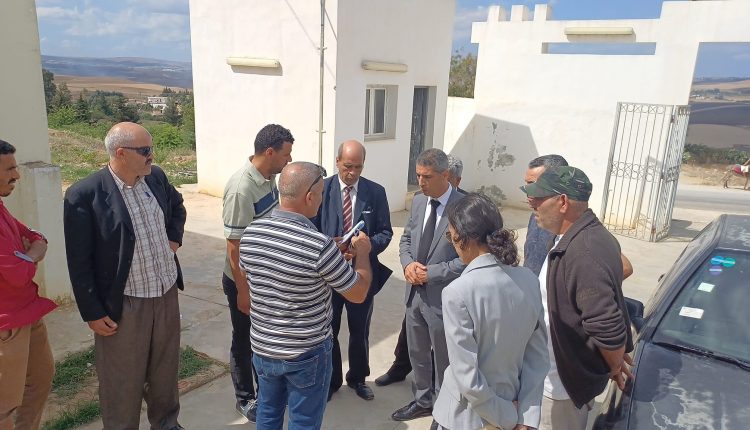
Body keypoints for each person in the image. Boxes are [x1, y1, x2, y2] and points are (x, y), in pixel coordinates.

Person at [64, 122, 187, 430]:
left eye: (151, 149)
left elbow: (177, 207)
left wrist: (173, 239)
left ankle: (167, 423)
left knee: (164, 372)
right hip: (125, 305)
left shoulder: (155, 178)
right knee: (122, 379)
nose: (152, 156)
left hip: (165, 293)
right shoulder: (85, 195)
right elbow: (79, 261)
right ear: (120, 153)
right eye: (145, 151)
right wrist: (92, 312)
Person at [239, 161, 373, 429]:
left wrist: (328, 258)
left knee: (267, 413)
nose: (322, 200)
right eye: (321, 194)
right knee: (304, 422)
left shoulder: (251, 234)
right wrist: (363, 255)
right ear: (309, 196)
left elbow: (259, 273)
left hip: (264, 348)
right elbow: (358, 293)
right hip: (306, 353)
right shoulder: (319, 246)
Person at [521, 166, 634, 430]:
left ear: (562, 202)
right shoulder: (583, 235)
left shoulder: (583, 253)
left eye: (539, 198)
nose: (532, 203)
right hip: (550, 376)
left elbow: (608, 329)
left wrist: (613, 364)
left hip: (560, 388)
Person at [433, 193, 549, 430]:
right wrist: (525, 417)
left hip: (466, 418)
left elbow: (466, 375)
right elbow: (537, 357)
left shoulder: (458, 292)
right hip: (514, 407)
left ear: (462, 238)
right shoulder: (528, 280)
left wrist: (506, 417)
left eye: (450, 236)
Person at [222, 124, 294, 421]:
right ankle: (245, 398)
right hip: (244, 280)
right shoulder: (242, 188)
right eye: (286, 154)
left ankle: (268, 393)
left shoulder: (269, 178)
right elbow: (234, 246)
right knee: (244, 339)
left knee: (263, 338)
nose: (290, 160)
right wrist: (243, 291)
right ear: (270, 152)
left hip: (264, 278)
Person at [313, 140, 393, 402]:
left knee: (360, 330)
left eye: (358, 167)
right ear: (337, 162)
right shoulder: (322, 190)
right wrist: (330, 246)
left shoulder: (375, 192)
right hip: (329, 275)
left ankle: (358, 378)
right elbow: (311, 229)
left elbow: (385, 232)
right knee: (329, 329)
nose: (352, 173)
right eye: (348, 166)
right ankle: (332, 380)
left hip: (361, 275)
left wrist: (365, 248)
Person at [391, 148, 466, 425]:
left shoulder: (464, 207)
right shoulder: (419, 202)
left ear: (445, 175)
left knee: (445, 358)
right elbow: (406, 239)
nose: (420, 182)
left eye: (427, 177)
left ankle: (445, 409)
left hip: (443, 297)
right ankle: (423, 400)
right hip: (414, 294)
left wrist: (431, 273)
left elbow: (470, 258)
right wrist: (408, 264)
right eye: (418, 176)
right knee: (418, 352)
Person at [0, 139, 56, 430]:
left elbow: (36, 236)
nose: (17, 175)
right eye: (9, 169)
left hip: (27, 312)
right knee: (4, 404)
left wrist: (31, 250)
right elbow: (20, 273)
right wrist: (33, 254)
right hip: (7, 325)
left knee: (40, 378)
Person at [523, 155, 633, 278]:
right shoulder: (536, 218)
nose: (528, 193)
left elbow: (625, 267)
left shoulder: (578, 229)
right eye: (527, 185)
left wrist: (568, 287)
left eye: (534, 186)